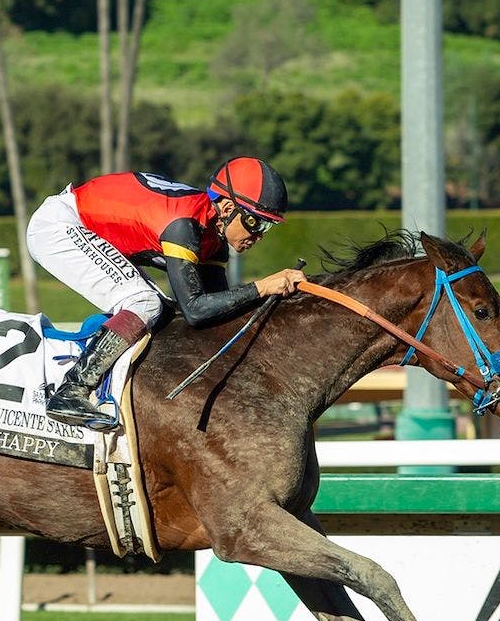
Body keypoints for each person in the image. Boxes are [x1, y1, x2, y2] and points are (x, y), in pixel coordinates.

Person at [26, 156, 308, 430]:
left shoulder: (213, 238)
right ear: (225, 207)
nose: (258, 235)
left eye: (266, 226)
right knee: (144, 303)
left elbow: (216, 313)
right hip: (60, 226)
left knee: (163, 311)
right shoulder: (183, 227)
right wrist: (261, 287)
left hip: (89, 225)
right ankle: (71, 390)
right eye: (254, 222)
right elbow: (196, 310)